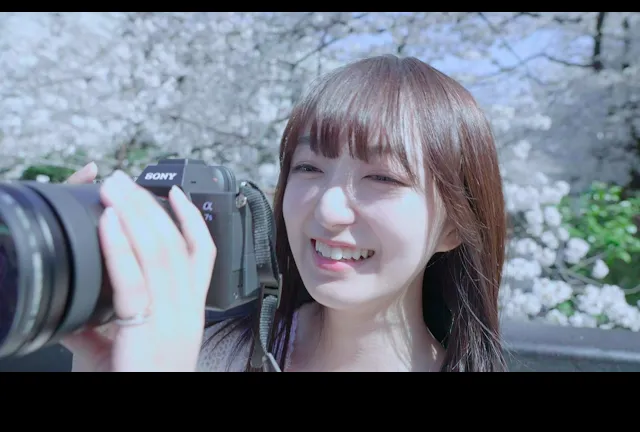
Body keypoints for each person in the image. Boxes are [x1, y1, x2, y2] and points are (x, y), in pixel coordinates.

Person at [63, 54, 508, 372]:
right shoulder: (204, 353)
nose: (329, 210)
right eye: (309, 168)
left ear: (454, 226)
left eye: (383, 178)